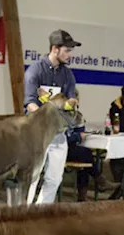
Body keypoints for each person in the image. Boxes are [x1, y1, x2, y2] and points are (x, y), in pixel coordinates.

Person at [23, 29, 81, 204]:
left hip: (58, 134)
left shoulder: (67, 74)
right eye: (67, 50)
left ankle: (41, 212)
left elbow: (71, 99)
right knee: (32, 178)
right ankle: (23, 213)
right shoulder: (34, 71)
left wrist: (65, 103)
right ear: (55, 49)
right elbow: (30, 103)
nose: (70, 55)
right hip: (37, 134)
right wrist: (49, 111)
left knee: (54, 179)